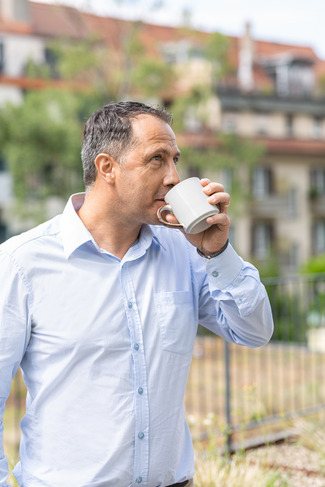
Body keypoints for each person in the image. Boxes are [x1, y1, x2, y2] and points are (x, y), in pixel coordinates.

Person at [0, 101, 273, 487]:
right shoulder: (21, 263)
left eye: (175, 159)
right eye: (157, 160)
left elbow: (255, 331)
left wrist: (217, 252)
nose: (174, 177)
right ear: (107, 167)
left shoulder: (187, 252)